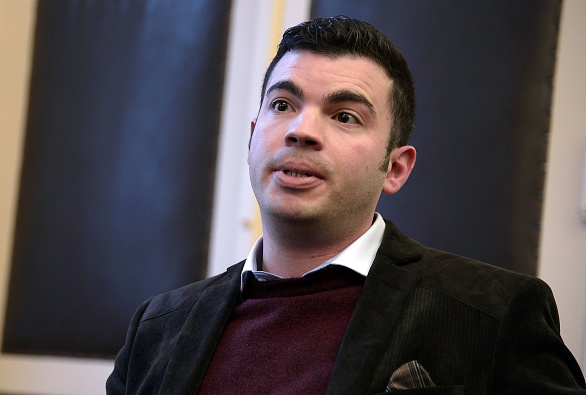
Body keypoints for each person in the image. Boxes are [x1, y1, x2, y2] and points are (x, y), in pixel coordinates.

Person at [107, 16, 586, 394]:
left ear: (395, 168)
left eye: (344, 116)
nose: (301, 130)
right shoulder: (157, 330)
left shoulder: (493, 314)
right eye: (282, 105)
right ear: (253, 137)